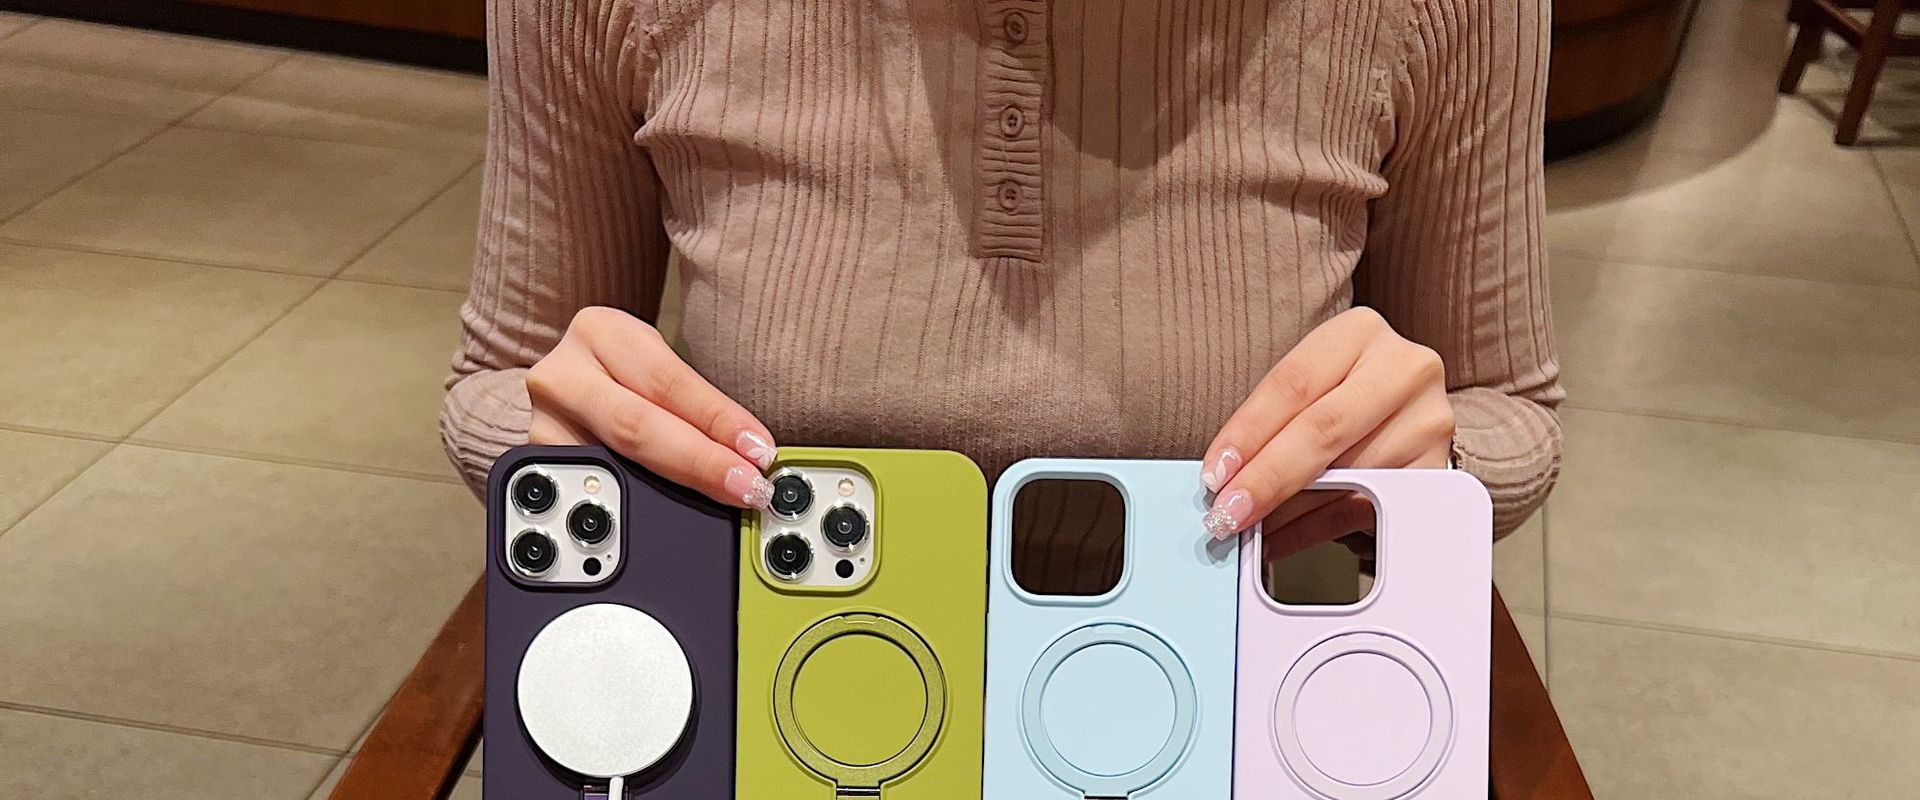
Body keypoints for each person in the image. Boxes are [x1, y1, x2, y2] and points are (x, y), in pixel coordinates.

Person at [442, 0, 1558, 544]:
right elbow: (503, 379)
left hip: (1230, 766)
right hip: (764, 745)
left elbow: (1507, 407)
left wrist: (1430, 464)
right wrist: (572, 440)